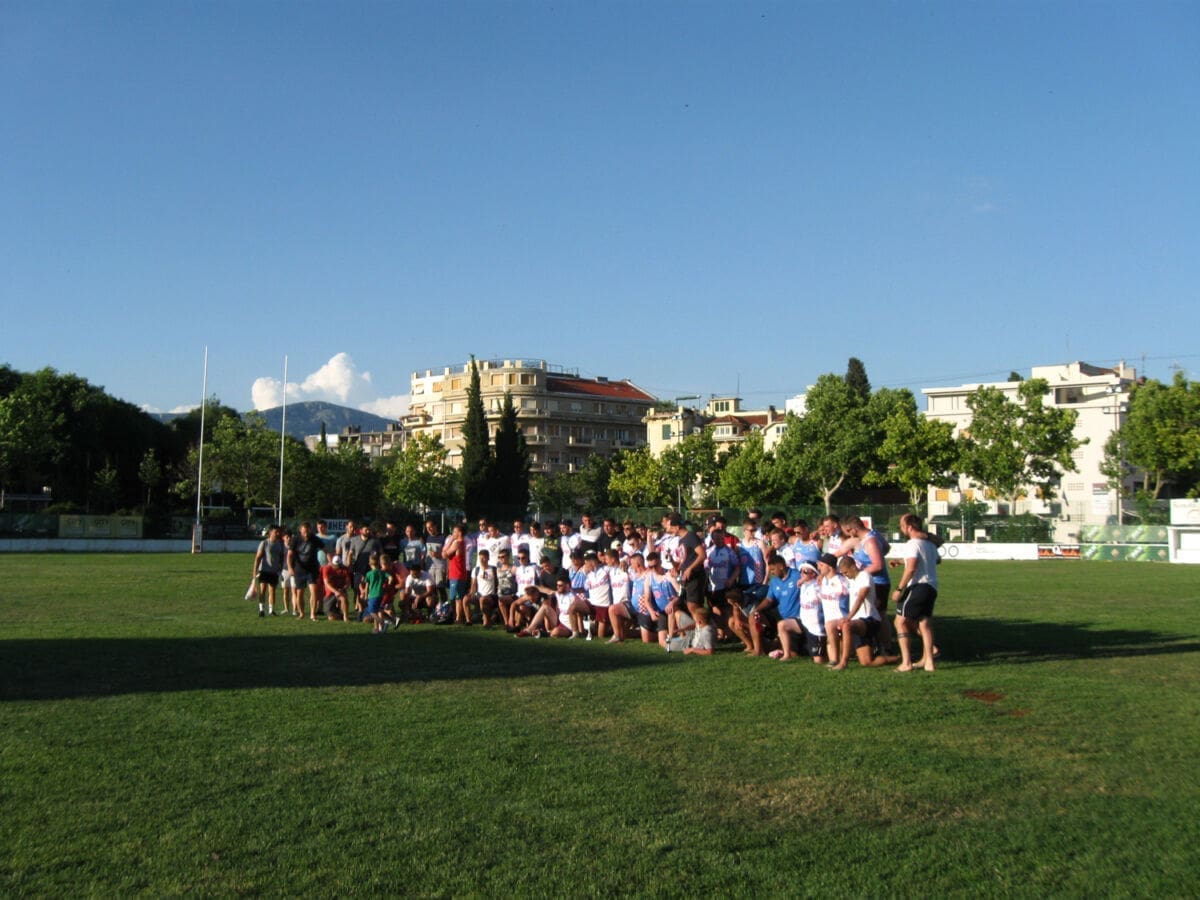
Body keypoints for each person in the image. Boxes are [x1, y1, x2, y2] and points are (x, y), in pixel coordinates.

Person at [893, 513, 940, 672]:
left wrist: (899, 589)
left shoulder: (912, 544)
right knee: (924, 623)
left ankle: (906, 663)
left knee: (900, 622)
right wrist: (902, 561)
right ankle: (929, 662)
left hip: (917, 586)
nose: (901, 528)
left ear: (909, 527)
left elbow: (912, 567)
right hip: (932, 587)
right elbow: (936, 560)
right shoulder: (930, 544)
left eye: (902, 525)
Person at [830, 556, 896, 669]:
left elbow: (861, 597)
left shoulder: (864, 576)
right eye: (843, 573)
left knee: (846, 625)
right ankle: (898, 658)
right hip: (858, 622)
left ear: (853, 567)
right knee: (867, 662)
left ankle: (843, 662)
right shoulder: (851, 580)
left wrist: (848, 617)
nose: (845, 575)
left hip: (870, 619)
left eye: (846, 572)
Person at [816, 552, 850, 666]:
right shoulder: (823, 581)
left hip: (841, 618)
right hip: (828, 620)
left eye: (822, 565)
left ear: (830, 567)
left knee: (830, 626)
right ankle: (835, 659)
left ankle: (835, 660)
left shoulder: (842, 581)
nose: (819, 567)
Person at [289, 521, 323, 620]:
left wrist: (330, 562)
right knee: (300, 592)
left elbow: (325, 550)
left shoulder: (315, 539)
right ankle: (301, 613)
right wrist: (290, 567)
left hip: (312, 569)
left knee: (314, 591)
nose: (306, 534)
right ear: (300, 531)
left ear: (310, 530)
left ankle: (313, 614)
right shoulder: (295, 539)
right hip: (299, 569)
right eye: (304, 532)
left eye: (307, 531)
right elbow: (289, 555)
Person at [253, 526, 286, 617]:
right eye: (276, 532)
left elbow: (281, 557)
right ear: (270, 533)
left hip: (274, 571)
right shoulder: (264, 543)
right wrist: (255, 570)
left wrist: (280, 568)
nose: (278, 534)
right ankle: (261, 609)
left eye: (278, 532)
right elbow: (258, 557)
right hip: (264, 570)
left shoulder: (280, 544)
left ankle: (271, 610)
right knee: (263, 590)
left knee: (272, 590)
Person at [464, 547, 499, 626]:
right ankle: (468, 620)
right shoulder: (476, 570)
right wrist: (471, 593)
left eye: (484, 558)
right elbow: (473, 584)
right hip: (479, 595)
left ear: (488, 558)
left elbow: (498, 583)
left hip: (491, 595)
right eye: (480, 558)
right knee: (466, 598)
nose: (482, 560)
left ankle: (486, 620)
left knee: (482, 599)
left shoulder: (493, 569)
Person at [360, 553, 392, 634]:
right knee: (377, 611)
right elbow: (390, 577)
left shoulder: (369, 574)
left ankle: (382, 622)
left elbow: (367, 586)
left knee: (372, 612)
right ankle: (376, 629)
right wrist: (388, 585)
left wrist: (366, 595)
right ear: (378, 563)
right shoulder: (382, 572)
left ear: (370, 564)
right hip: (381, 594)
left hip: (373, 595)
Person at [320, 554, 352, 621]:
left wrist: (343, 589)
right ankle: (338, 615)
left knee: (343, 598)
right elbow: (326, 583)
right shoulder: (327, 569)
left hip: (341, 590)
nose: (337, 567)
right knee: (331, 618)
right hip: (329, 593)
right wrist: (335, 591)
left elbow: (348, 582)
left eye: (338, 565)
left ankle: (345, 617)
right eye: (335, 565)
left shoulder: (345, 569)